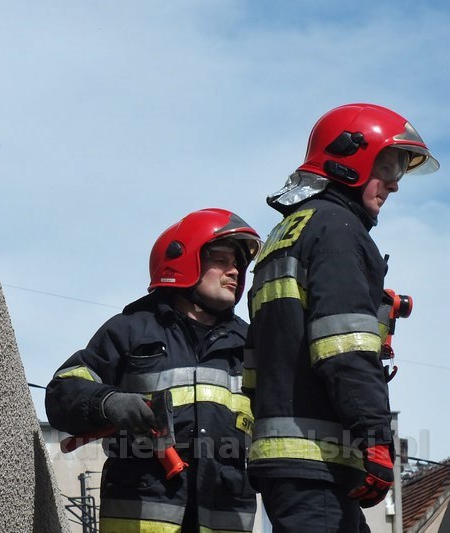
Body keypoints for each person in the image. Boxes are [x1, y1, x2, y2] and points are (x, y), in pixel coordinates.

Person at [243, 103, 440, 532]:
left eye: (400, 170)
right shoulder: (337, 230)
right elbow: (344, 347)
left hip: (287, 461)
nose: (394, 184)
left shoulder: (287, 233)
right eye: (387, 164)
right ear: (349, 159)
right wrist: (375, 438)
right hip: (318, 457)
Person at [46, 208, 261, 532]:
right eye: (222, 260)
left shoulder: (249, 344)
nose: (235, 272)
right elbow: (63, 390)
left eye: (239, 264)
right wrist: (110, 403)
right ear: (185, 259)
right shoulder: (131, 331)